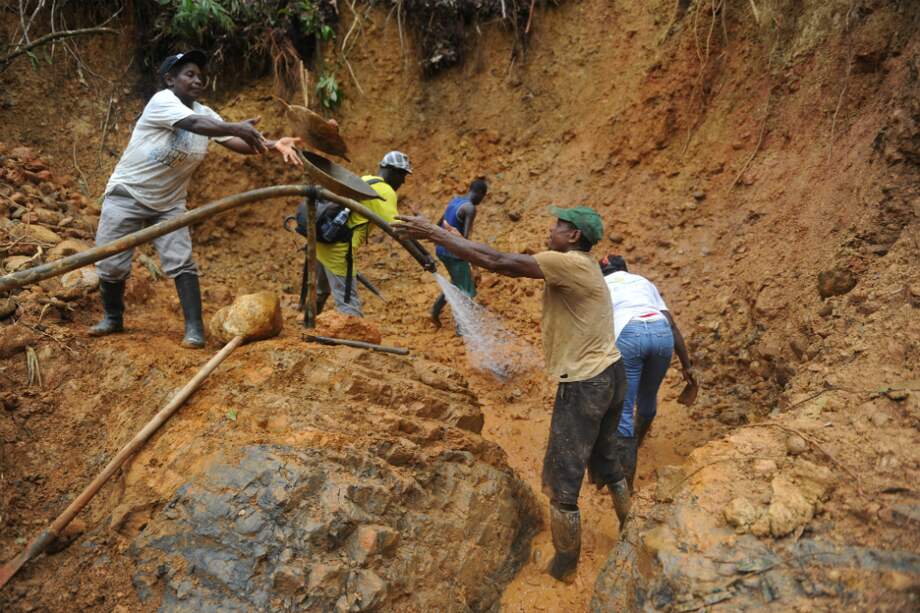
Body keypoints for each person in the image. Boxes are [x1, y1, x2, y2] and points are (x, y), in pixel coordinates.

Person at [394, 206, 628, 584]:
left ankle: (564, 566)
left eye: (558, 226)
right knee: (607, 457)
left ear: (573, 237)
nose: (550, 228)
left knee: (562, 479)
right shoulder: (585, 266)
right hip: (611, 373)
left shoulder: (567, 262)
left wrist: (438, 236)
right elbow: (491, 255)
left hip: (586, 382)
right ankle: (628, 524)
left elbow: (498, 261)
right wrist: (455, 237)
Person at [90, 50, 302, 347]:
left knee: (181, 261)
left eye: (201, 75)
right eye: (189, 74)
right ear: (169, 79)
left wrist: (272, 143)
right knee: (111, 263)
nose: (198, 79)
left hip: (169, 203)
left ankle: (194, 329)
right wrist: (234, 125)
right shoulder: (162, 101)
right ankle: (113, 318)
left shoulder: (206, 114)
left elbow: (236, 141)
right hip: (128, 194)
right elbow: (197, 126)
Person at [599, 254, 696, 490]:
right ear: (626, 269)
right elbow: (670, 322)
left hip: (629, 334)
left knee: (623, 409)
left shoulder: (600, 286)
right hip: (661, 332)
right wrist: (686, 365)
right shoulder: (643, 282)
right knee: (648, 397)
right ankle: (637, 442)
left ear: (602, 273)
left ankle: (623, 486)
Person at [315, 151, 412, 317]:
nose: (403, 180)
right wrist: (425, 252)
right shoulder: (386, 191)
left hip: (322, 241)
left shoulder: (366, 180)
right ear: (391, 170)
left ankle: (308, 324)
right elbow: (398, 228)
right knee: (348, 304)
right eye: (402, 174)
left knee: (321, 291)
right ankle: (351, 340)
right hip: (339, 250)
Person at [430, 178, 489, 328]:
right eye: (483, 196)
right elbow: (466, 240)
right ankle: (462, 328)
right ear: (481, 193)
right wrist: (475, 267)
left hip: (442, 250)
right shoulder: (470, 208)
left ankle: (435, 312)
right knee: (467, 290)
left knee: (456, 284)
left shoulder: (454, 201)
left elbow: (439, 224)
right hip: (455, 254)